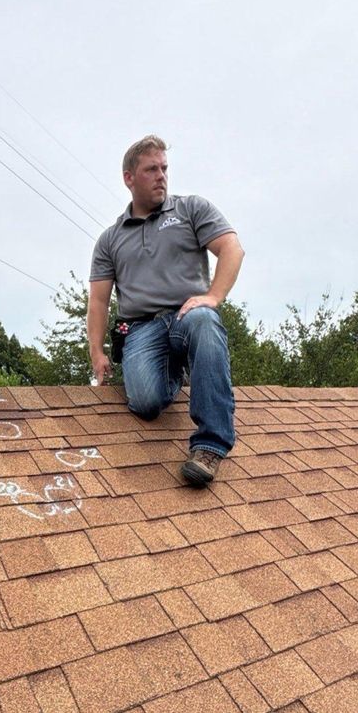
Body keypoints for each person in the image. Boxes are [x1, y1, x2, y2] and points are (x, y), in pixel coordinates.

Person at [87, 135, 245, 487]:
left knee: (205, 321)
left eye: (164, 168)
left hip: (186, 315)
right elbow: (98, 301)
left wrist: (214, 296)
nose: (161, 176)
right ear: (129, 178)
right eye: (151, 169)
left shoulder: (190, 209)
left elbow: (232, 248)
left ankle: (210, 445)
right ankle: (176, 371)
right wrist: (96, 353)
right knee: (145, 402)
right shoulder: (110, 239)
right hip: (141, 328)